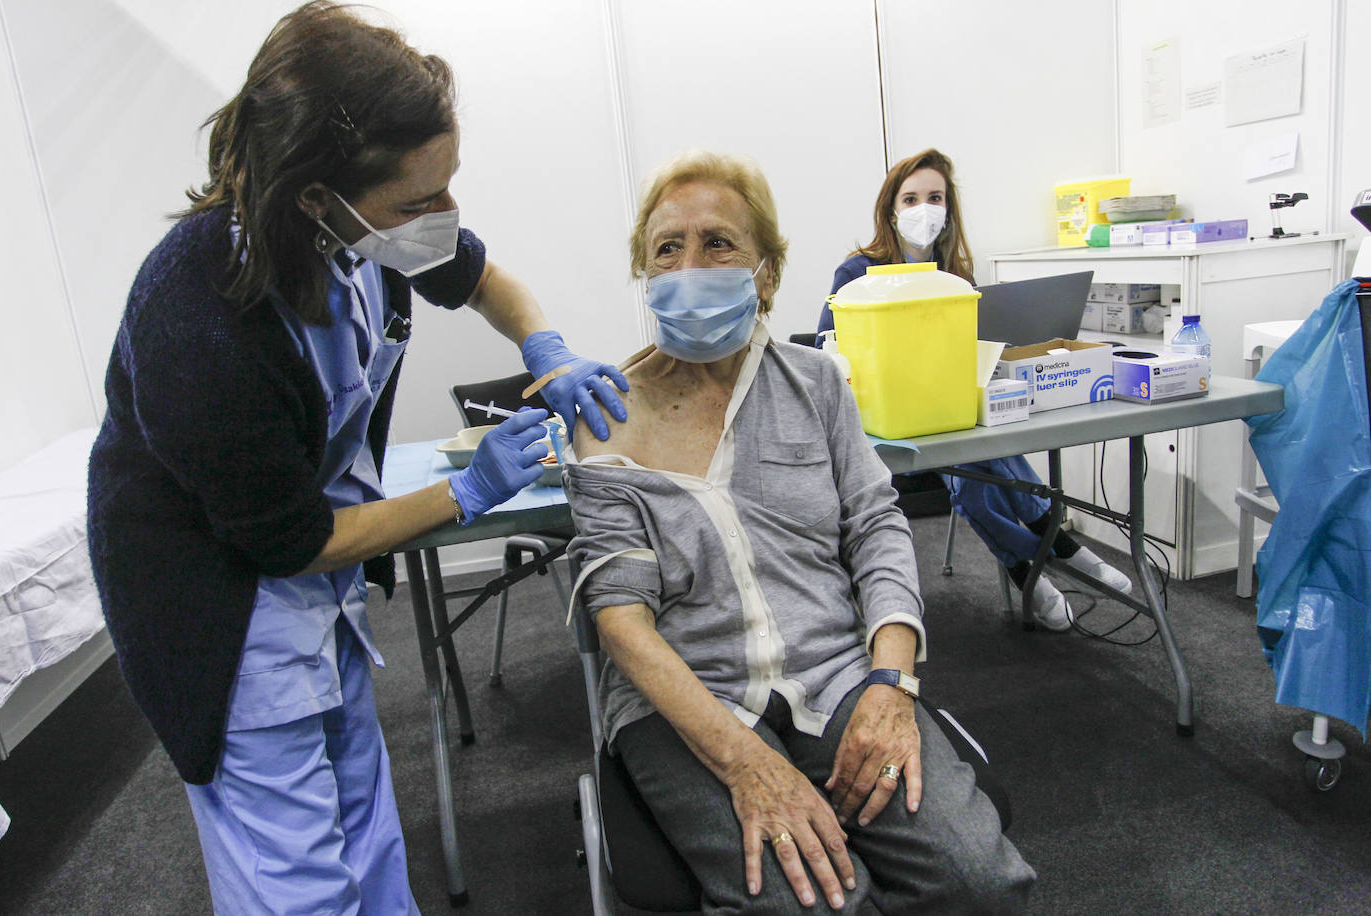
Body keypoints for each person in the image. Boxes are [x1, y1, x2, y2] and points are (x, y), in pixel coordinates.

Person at [86, 4, 626, 912]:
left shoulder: (364, 231)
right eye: (419, 202)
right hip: (218, 605)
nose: (443, 217)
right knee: (289, 870)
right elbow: (293, 539)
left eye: (449, 186)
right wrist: (467, 493)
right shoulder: (198, 314)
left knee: (366, 820)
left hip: (310, 580)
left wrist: (549, 348)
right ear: (313, 196)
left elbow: (478, 275)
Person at [565, 150, 1035, 914]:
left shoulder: (816, 384)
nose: (690, 266)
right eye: (666, 249)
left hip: (838, 674)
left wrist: (891, 682)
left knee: (979, 884)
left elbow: (878, 528)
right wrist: (744, 761)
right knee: (815, 904)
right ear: (644, 276)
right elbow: (619, 620)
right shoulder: (608, 416)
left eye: (718, 243)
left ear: (768, 274)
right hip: (691, 700)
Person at [818, 149, 1131, 631]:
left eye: (935, 197)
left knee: (977, 458)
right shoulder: (858, 273)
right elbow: (826, 349)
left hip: (950, 406)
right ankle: (1049, 550)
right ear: (891, 209)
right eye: (912, 197)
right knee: (970, 464)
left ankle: (1030, 566)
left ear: (949, 208)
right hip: (887, 418)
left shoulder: (958, 277)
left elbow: (970, 350)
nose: (925, 208)